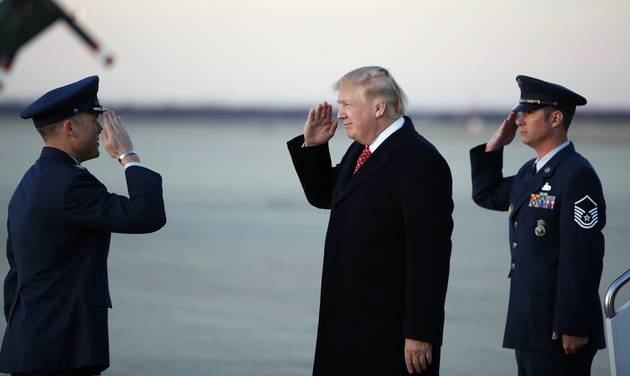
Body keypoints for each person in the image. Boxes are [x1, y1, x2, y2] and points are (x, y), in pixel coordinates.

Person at [287, 66, 453, 375]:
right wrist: (313, 146)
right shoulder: (360, 150)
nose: (340, 114)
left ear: (378, 107)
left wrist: (420, 332)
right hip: (346, 324)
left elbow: (430, 257)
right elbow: (327, 195)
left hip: (389, 333)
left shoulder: (421, 161)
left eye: (348, 104)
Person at [0, 76, 166, 375]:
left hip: (31, 347)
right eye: (94, 119)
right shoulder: (69, 183)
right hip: (61, 353)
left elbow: (15, 276)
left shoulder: (30, 182)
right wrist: (128, 155)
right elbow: (147, 214)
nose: (102, 129)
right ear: (70, 127)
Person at [469, 75, 606, 376]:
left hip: (560, 330)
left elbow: (582, 256)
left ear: (556, 118)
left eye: (528, 112)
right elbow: (486, 194)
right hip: (530, 325)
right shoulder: (530, 173)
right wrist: (495, 145)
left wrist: (573, 324)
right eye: (519, 112)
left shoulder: (576, 175)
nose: (519, 119)